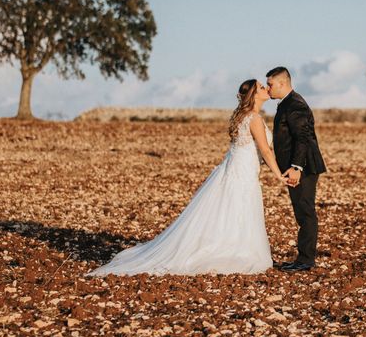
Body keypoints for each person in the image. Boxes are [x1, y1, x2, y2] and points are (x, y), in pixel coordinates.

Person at [86, 79, 288, 276]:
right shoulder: (254, 119)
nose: (266, 89)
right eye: (262, 87)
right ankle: (232, 250)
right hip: (242, 172)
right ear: (254, 95)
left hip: (237, 168)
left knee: (228, 210)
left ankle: (228, 246)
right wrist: (279, 176)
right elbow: (265, 150)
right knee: (237, 209)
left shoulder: (244, 117)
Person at [266, 66, 327, 272]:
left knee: (305, 212)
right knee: (301, 212)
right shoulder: (288, 103)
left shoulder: (295, 105)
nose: (268, 88)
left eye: (270, 84)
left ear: (282, 83)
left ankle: (306, 260)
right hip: (299, 167)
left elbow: (303, 138)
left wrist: (296, 167)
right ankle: (302, 258)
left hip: (305, 167)